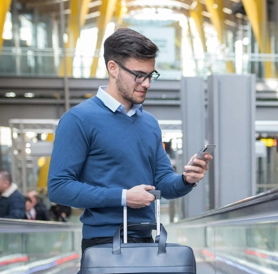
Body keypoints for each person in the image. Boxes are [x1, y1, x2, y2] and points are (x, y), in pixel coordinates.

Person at [47, 28, 211, 252]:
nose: (146, 84)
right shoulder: (78, 119)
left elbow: (162, 183)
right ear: (113, 68)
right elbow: (58, 188)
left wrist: (186, 179)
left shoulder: (149, 123)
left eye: (151, 75)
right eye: (139, 75)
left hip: (146, 241)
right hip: (103, 245)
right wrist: (123, 197)